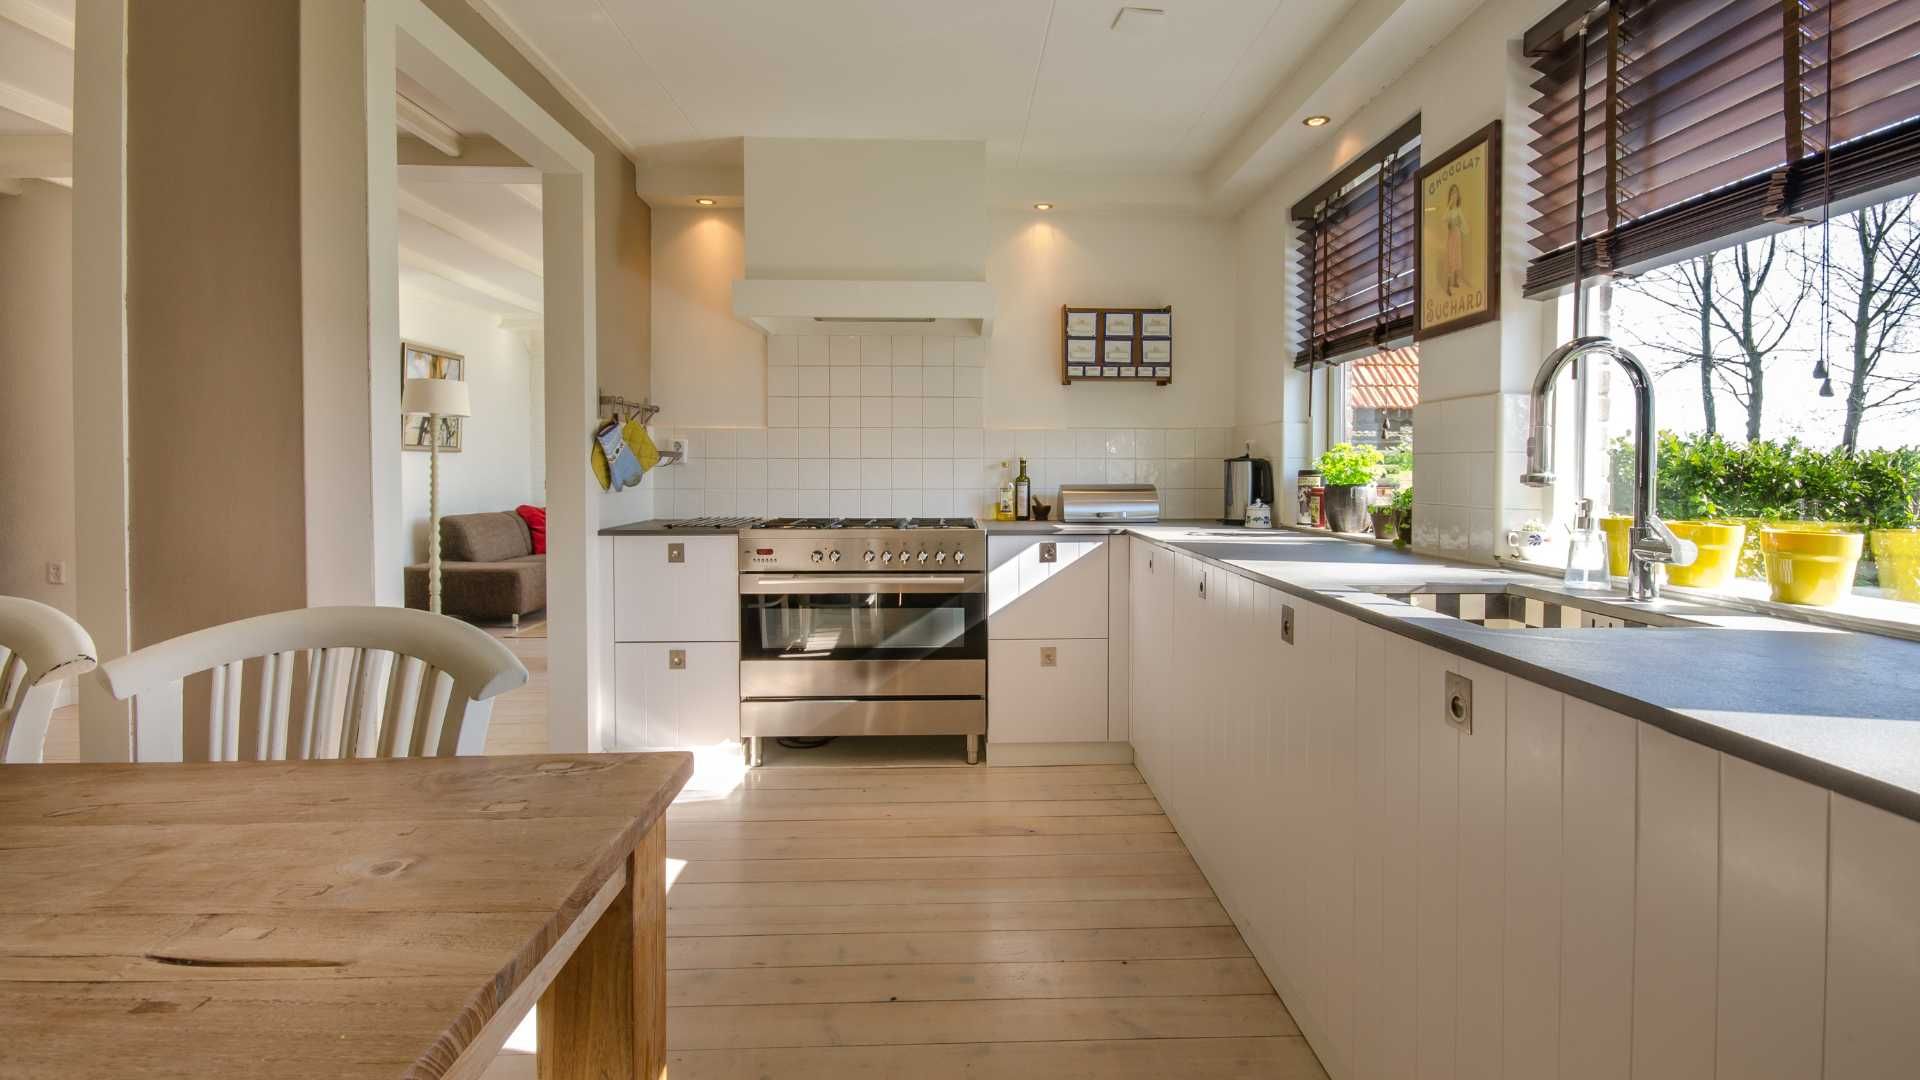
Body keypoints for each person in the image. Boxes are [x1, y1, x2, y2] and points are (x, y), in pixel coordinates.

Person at [1444, 183, 1467, 294]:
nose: (1454, 195)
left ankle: (1456, 281)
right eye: (1452, 192)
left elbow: (1464, 225)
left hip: (1457, 235)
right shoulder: (1449, 210)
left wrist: (1461, 228)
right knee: (1450, 258)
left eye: (1456, 192)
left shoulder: (1458, 210)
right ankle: (1448, 285)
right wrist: (1449, 205)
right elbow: (1443, 218)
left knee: (1457, 257)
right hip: (1451, 236)